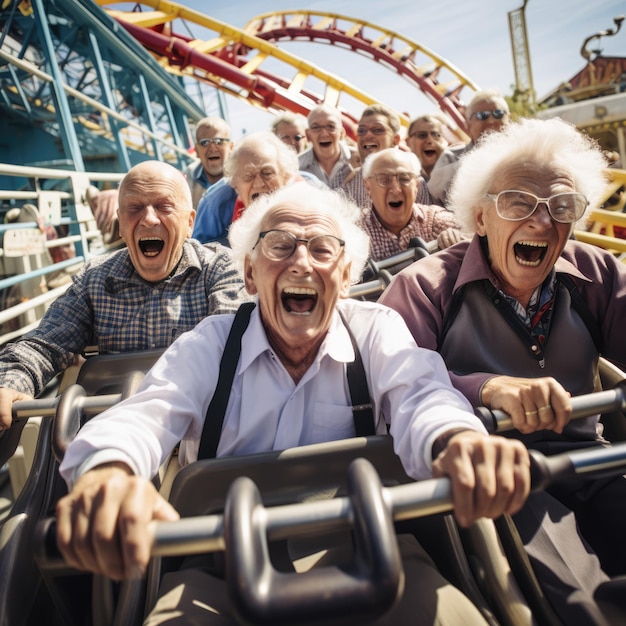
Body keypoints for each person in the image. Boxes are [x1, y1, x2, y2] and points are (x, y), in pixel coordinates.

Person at [57, 182, 531, 625]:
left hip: (376, 547)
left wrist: (457, 439)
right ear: (249, 271)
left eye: (322, 249)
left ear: (345, 276)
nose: (302, 263)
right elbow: (145, 415)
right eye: (281, 246)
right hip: (218, 565)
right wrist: (109, 474)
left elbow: (421, 393)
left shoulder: (374, 329)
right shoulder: (210, 344)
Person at [380, 117, 626, 624]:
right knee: (573, 593)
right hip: (493, 473)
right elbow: (396, 392)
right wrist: (486, 389)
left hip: (593, 458)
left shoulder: (597, 273)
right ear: (479, 217)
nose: (541, 223)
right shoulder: (423, 288)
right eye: (518, 203)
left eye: (560, 207)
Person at [0, 161, 247, 429]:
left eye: (164, 206)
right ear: (121, 224)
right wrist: (10, 382)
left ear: (189, 222)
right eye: (135, 208)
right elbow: (44, 344)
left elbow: (231, 343)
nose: (149, 219)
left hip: (197, 427)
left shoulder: (220, 268)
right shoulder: (94, 280)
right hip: (118, 426)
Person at [192, 132, 303, 245]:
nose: (259, 184)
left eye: (267, 173)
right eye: (248, 175)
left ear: (286, 176)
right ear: (235, 183)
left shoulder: (308, 203)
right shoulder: (215, 204)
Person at [361, 149, 463, 261]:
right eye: (384, 180)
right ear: (368, 187)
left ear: (417, 185)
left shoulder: (435, 222)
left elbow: (477, 239)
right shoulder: (354, 232)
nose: (396, 189)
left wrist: (456, 237)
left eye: (404, 179)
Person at [428, 90, 511, 207]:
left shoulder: (527, 155)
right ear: (468, 124)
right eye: (482, 116)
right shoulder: (450, 160)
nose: (491, 121)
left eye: (498, 113)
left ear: (509, 119)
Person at [182, 116, 233, 209]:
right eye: (205, 142)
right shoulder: (185, 181)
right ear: (197, 150)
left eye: (219, 141)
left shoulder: (244, 177)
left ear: (231, 147)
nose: (212, 148)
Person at [298, 103, 353, 189]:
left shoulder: (360, 162)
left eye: (330, 126)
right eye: (316, 127)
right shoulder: (296, 166)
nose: (324, 133)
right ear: (308, 135)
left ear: (342, 133)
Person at [405, 114, 451, 180]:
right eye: (422, 135)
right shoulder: (402, 178)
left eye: (436, 135)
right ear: (408, 142)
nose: (430, 140)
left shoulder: (458, 170)